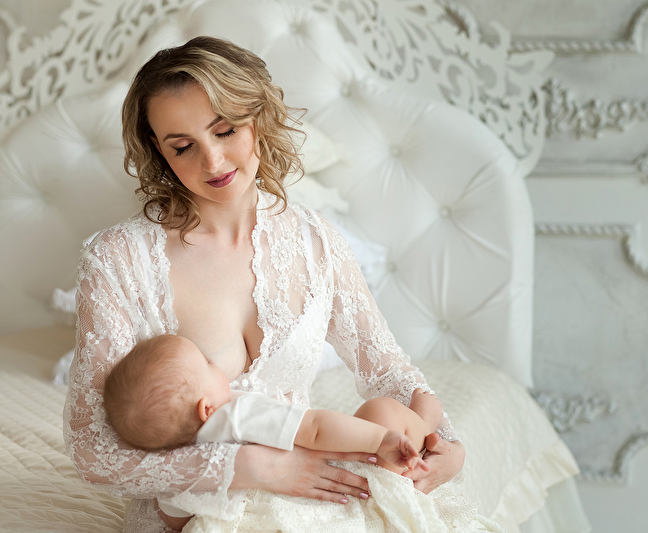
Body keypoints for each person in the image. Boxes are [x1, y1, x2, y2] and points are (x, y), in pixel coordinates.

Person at [63, 35, 466, 533]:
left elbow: (388, 373)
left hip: (314, 495)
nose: (212, 162)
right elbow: (92, 450)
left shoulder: (316, 243)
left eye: (225, 130)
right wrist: (247, 468)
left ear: (259, 117)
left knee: (384, 415)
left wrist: (450, 448)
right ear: (159, 153)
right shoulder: (117, 259)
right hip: (195, 515)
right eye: (183, 147)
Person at [103, 333, 441, 529]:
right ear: (206, 409)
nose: (216, 365)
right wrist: (380, 440)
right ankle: (423, 425)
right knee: (380, 412)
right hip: (311, 503)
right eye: (207, 364)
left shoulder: (175, 472)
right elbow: (315, 429)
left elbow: (177, 523)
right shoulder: (235, 414)